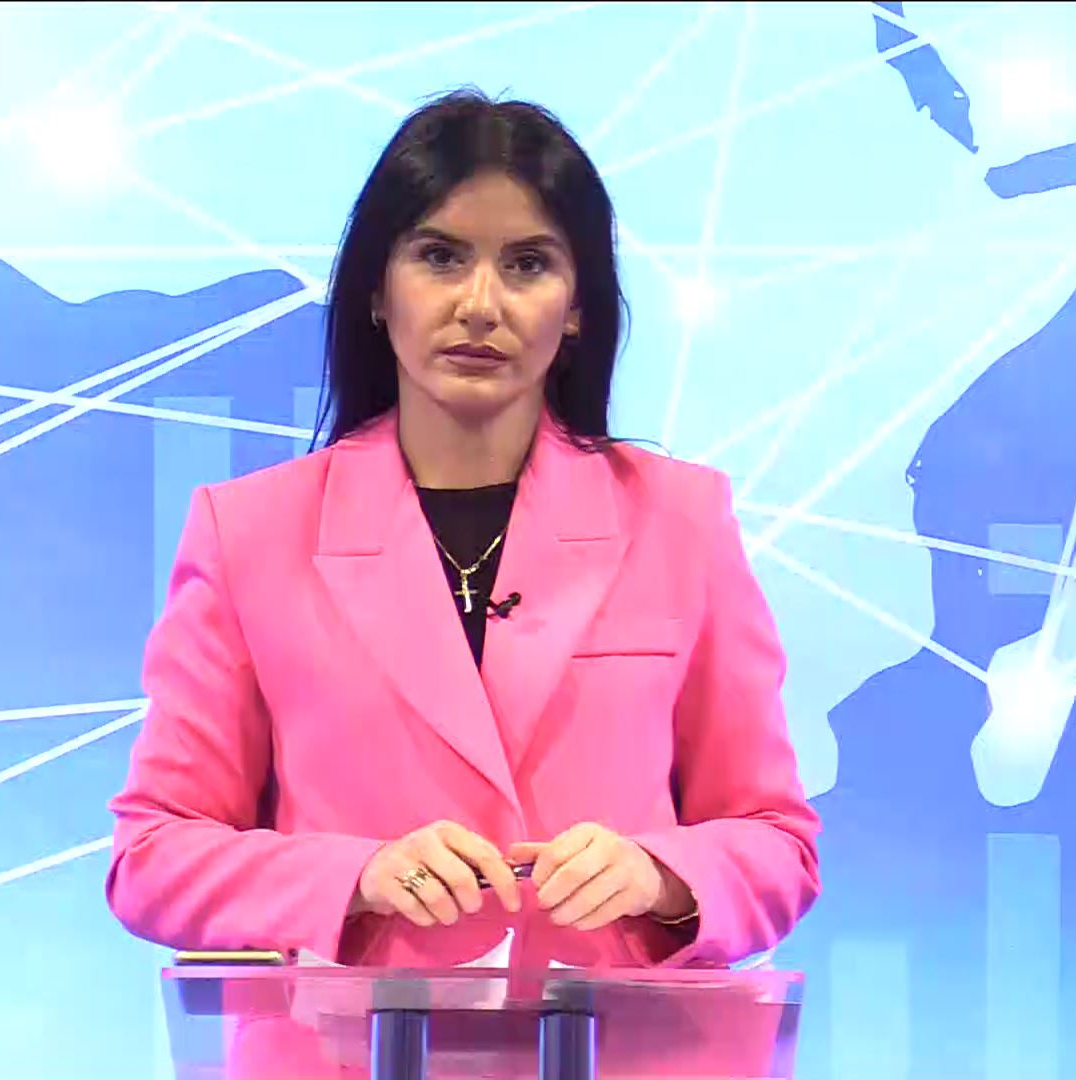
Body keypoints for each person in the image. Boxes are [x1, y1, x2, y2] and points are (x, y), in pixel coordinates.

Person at [106, 89, 820, 975]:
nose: (481, 304)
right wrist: (353, 876)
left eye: (528, 265)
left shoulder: (681, 522)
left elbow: (776, 840)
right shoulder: (249, 533)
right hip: (352, 1039)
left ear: (579, 306)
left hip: (614, 1037)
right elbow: (153, 859)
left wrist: (663, 875)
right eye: (440, 257)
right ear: (377, 288)